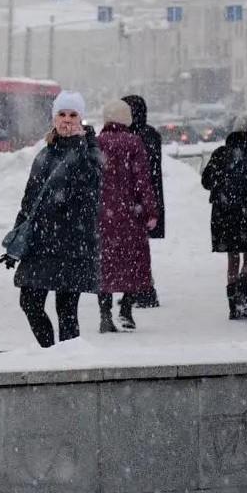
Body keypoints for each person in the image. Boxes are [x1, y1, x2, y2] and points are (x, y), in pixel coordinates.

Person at [9, 90, 101, 348]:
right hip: (41, 244)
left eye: (73, 115)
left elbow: (91, 189)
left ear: (81, 119)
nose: (67, 120)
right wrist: (17, 240)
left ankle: (67, 364)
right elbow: (30, 201)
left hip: (74, 243)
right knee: (29, 302)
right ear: (54, 118)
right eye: (62, 114)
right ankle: (51, 354)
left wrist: (81, 147)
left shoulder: (90, 152)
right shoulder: (45, 154)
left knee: (67, 310)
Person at [201, 115, 247, 320]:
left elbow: (206, 181)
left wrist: (222, 187)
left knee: (232, 257)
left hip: (224, 212)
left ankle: (233, 303)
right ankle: (243, 293)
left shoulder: (221, 153)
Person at [96, 100, 158, 333]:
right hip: (131, 215)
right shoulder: (134, 142)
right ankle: (126, 311)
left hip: (102, 216)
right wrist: (150, 211)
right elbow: (143, 180)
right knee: (133, 264)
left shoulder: (97, 143)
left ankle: (104, 314)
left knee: (105, 266)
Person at [122, 94, 165, 308]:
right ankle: (142, 288)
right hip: (147, 197)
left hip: (133, 198)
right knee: (139, 247)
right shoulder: (151, 135)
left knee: (133, 248)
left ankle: (143, 290)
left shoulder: (130, 137)